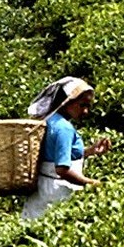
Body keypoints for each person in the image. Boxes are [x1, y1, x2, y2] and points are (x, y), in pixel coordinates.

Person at [20, 77, 110, 221]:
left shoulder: (49, 120)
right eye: (82, 105)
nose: (86, 111)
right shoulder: (64, 128)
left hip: (41, 191)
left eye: (88, 106)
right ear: (67, 102)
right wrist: (93, 183)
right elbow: (62, 169)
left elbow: (55, 155)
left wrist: (89, 151)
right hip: (56, 192)